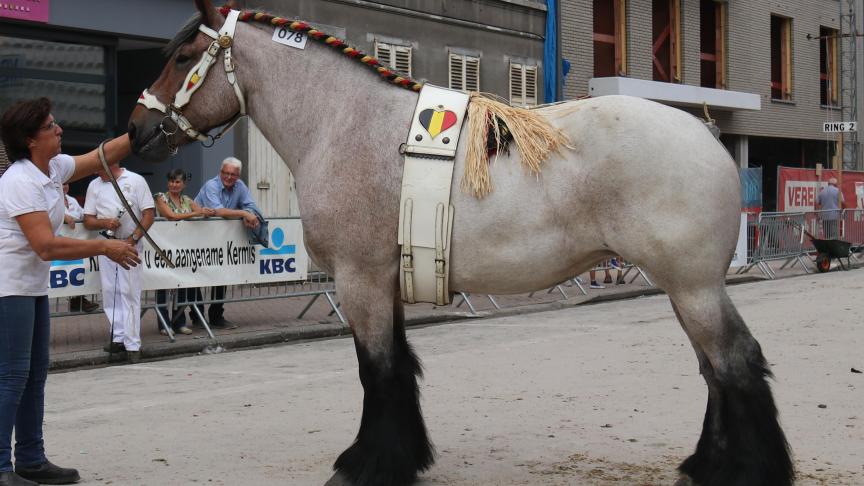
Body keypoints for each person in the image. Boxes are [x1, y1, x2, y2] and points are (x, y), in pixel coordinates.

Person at [0, 97, 139, 486]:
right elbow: (45, 245)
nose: (60, 130)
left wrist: (148, 128)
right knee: (11, 377)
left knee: (34, 376)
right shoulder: (18, 181)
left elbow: (100, 156)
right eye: (50, 126)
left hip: (32, 286)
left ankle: (30, 458)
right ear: (30, 139)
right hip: (8, 287)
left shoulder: (53, 168)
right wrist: (104, 245)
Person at [83, 163, 154, 363]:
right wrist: (105, 223)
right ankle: (118, 336)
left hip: (130, 243)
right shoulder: (94, 185)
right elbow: (88, 220)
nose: (96, 172)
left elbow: (149, 215)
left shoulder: (136, 180)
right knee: (110, 291)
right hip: (106, 244)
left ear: (110, 163)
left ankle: (133, 344)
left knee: (130, 291)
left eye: (99, 167)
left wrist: (133, 239)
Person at [194, 157, 260, 328]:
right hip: (197, 236)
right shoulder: (211, 185)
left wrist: (248, 213)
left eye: (233, 174)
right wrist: (244, 214)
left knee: (221, 275)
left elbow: (251, 205)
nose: (229, 177)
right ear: (220, 172)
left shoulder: (240, 186)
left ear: (238, 175)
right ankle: (196, 315)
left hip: (220, 240)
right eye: (226, 173)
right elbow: (219, 211)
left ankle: (216, 316)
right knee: (195, 275)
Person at [153, 168, 213, 335]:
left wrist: (205, 212)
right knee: (163, 284)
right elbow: (170, 216)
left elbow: (201, 212)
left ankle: (179, 322)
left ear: (184, 184)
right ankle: (164, 324)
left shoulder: (187, 200)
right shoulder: (160, 197)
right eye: (171, 181)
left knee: (182, 285)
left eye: (178, 181)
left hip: (184, 250)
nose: (174, 184)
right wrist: (196, 213)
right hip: (164, 248)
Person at [62, 184, 100, 313]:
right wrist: (62, 217)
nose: (64, 186)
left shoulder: (71, 200)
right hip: (58, 244)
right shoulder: (48, 198)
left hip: (75, 243)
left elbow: (83, 214)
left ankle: (78, 300)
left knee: (78, 270)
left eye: (66, 183)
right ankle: (76, 300)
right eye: (61, 183)